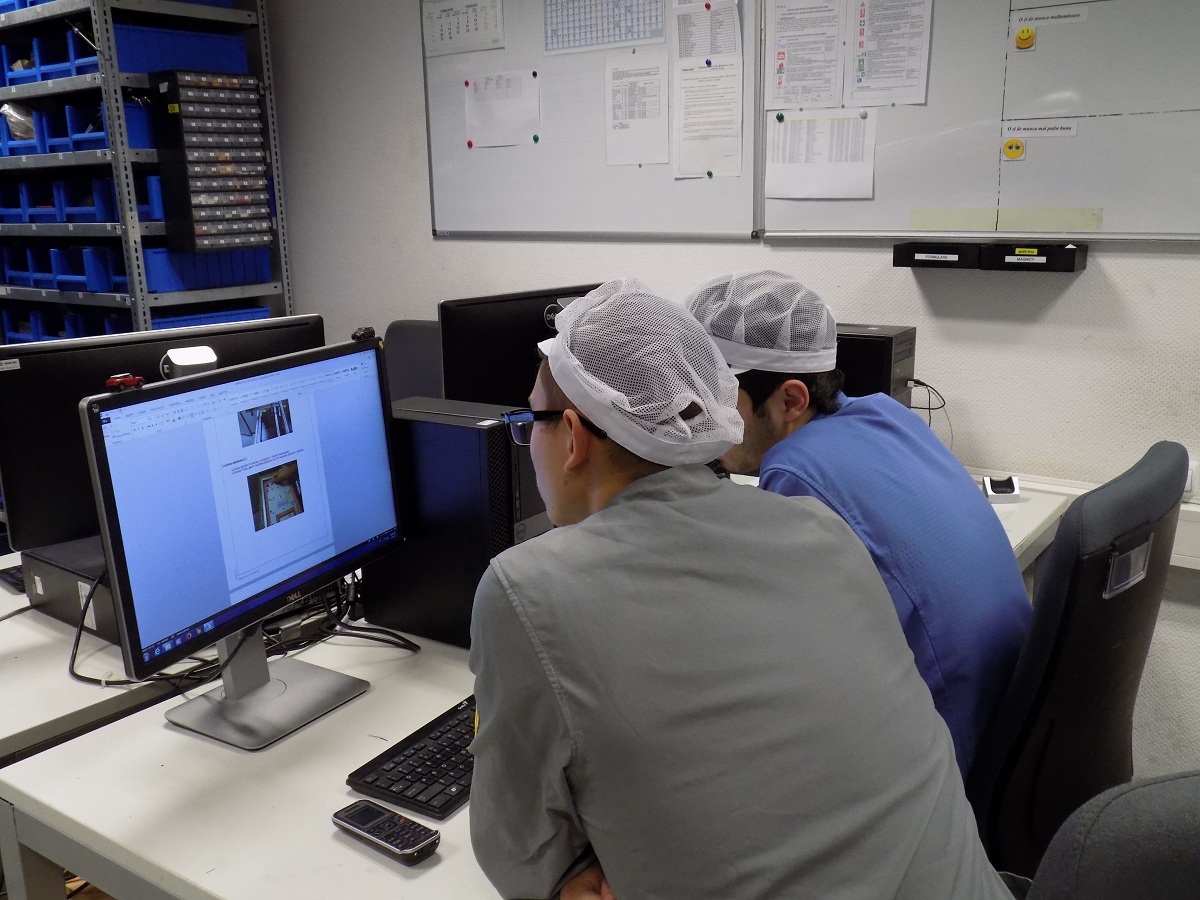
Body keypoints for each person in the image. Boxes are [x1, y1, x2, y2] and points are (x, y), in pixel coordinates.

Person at [467, 279, 1012, 899]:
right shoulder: (820, 527)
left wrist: (569, 876)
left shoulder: (527, 588)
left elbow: (519, 853)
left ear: (572, 436)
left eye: (529, 422)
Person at [685, 269, 1033, 778]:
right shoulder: (885, 414)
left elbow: (781, 651)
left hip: (948, 753)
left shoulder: (794, 471)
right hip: (1008, 719)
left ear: (791, 400)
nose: (705, 420)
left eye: (719, 399)